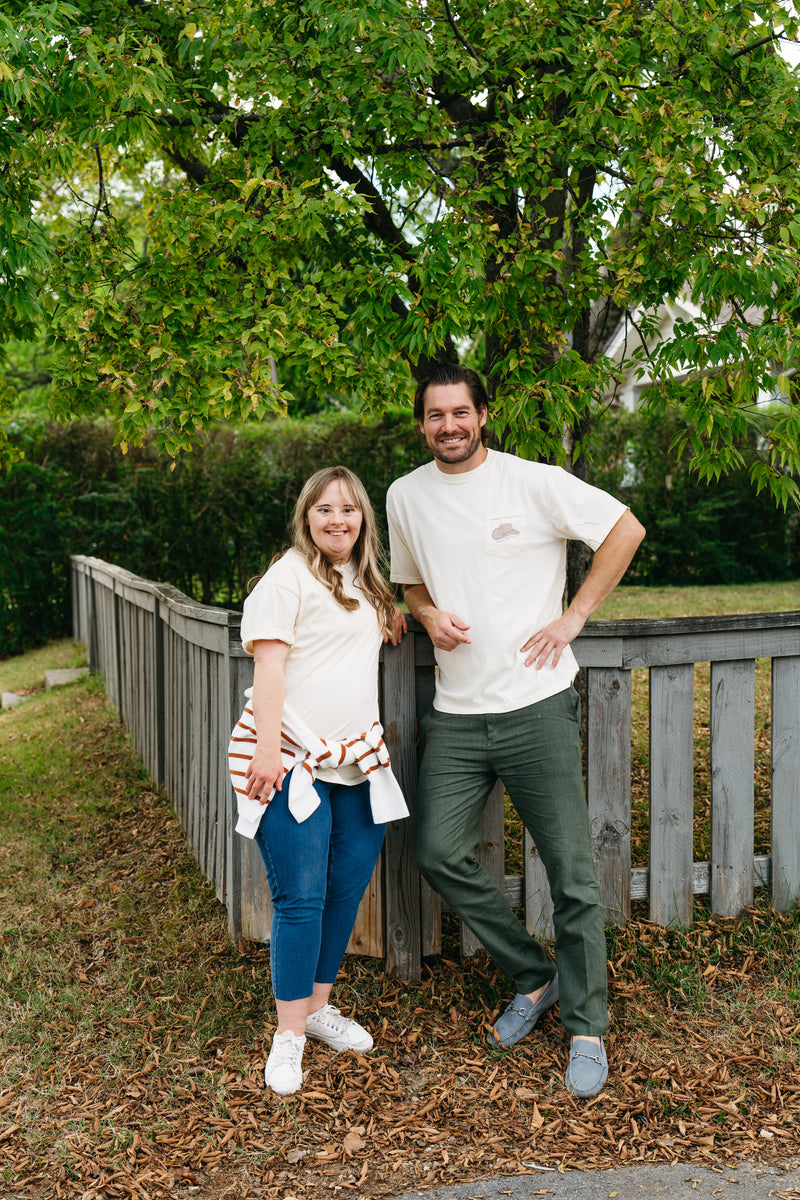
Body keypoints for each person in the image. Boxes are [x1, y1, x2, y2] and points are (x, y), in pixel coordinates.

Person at [386, 364, 645, 1099]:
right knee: (438, 851)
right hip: (459, 714)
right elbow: (411, 581)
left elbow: (625, 528)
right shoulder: (405, 495)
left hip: (536, 707)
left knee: (571, 873)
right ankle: (536, 977)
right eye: (435, 416)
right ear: (422, 424)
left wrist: (575, 616)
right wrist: (428, 614)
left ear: (483, 415)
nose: (449, 427)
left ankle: (587, 1025)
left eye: (460, 412)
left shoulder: (534, 482)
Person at [228, 466, 408, 1098]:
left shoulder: (363, 582)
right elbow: (270, 670)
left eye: (350, 511)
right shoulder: (287, 579)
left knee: (344, 889)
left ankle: (318, 1008)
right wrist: (270, 751)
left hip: (357, 761)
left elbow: (360, 634)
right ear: (306, 517)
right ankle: (289, 1035)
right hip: (293, 760)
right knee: (300, 898)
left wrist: (395, 615)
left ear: (364, 521)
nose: (338, 521)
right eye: (325, 510)